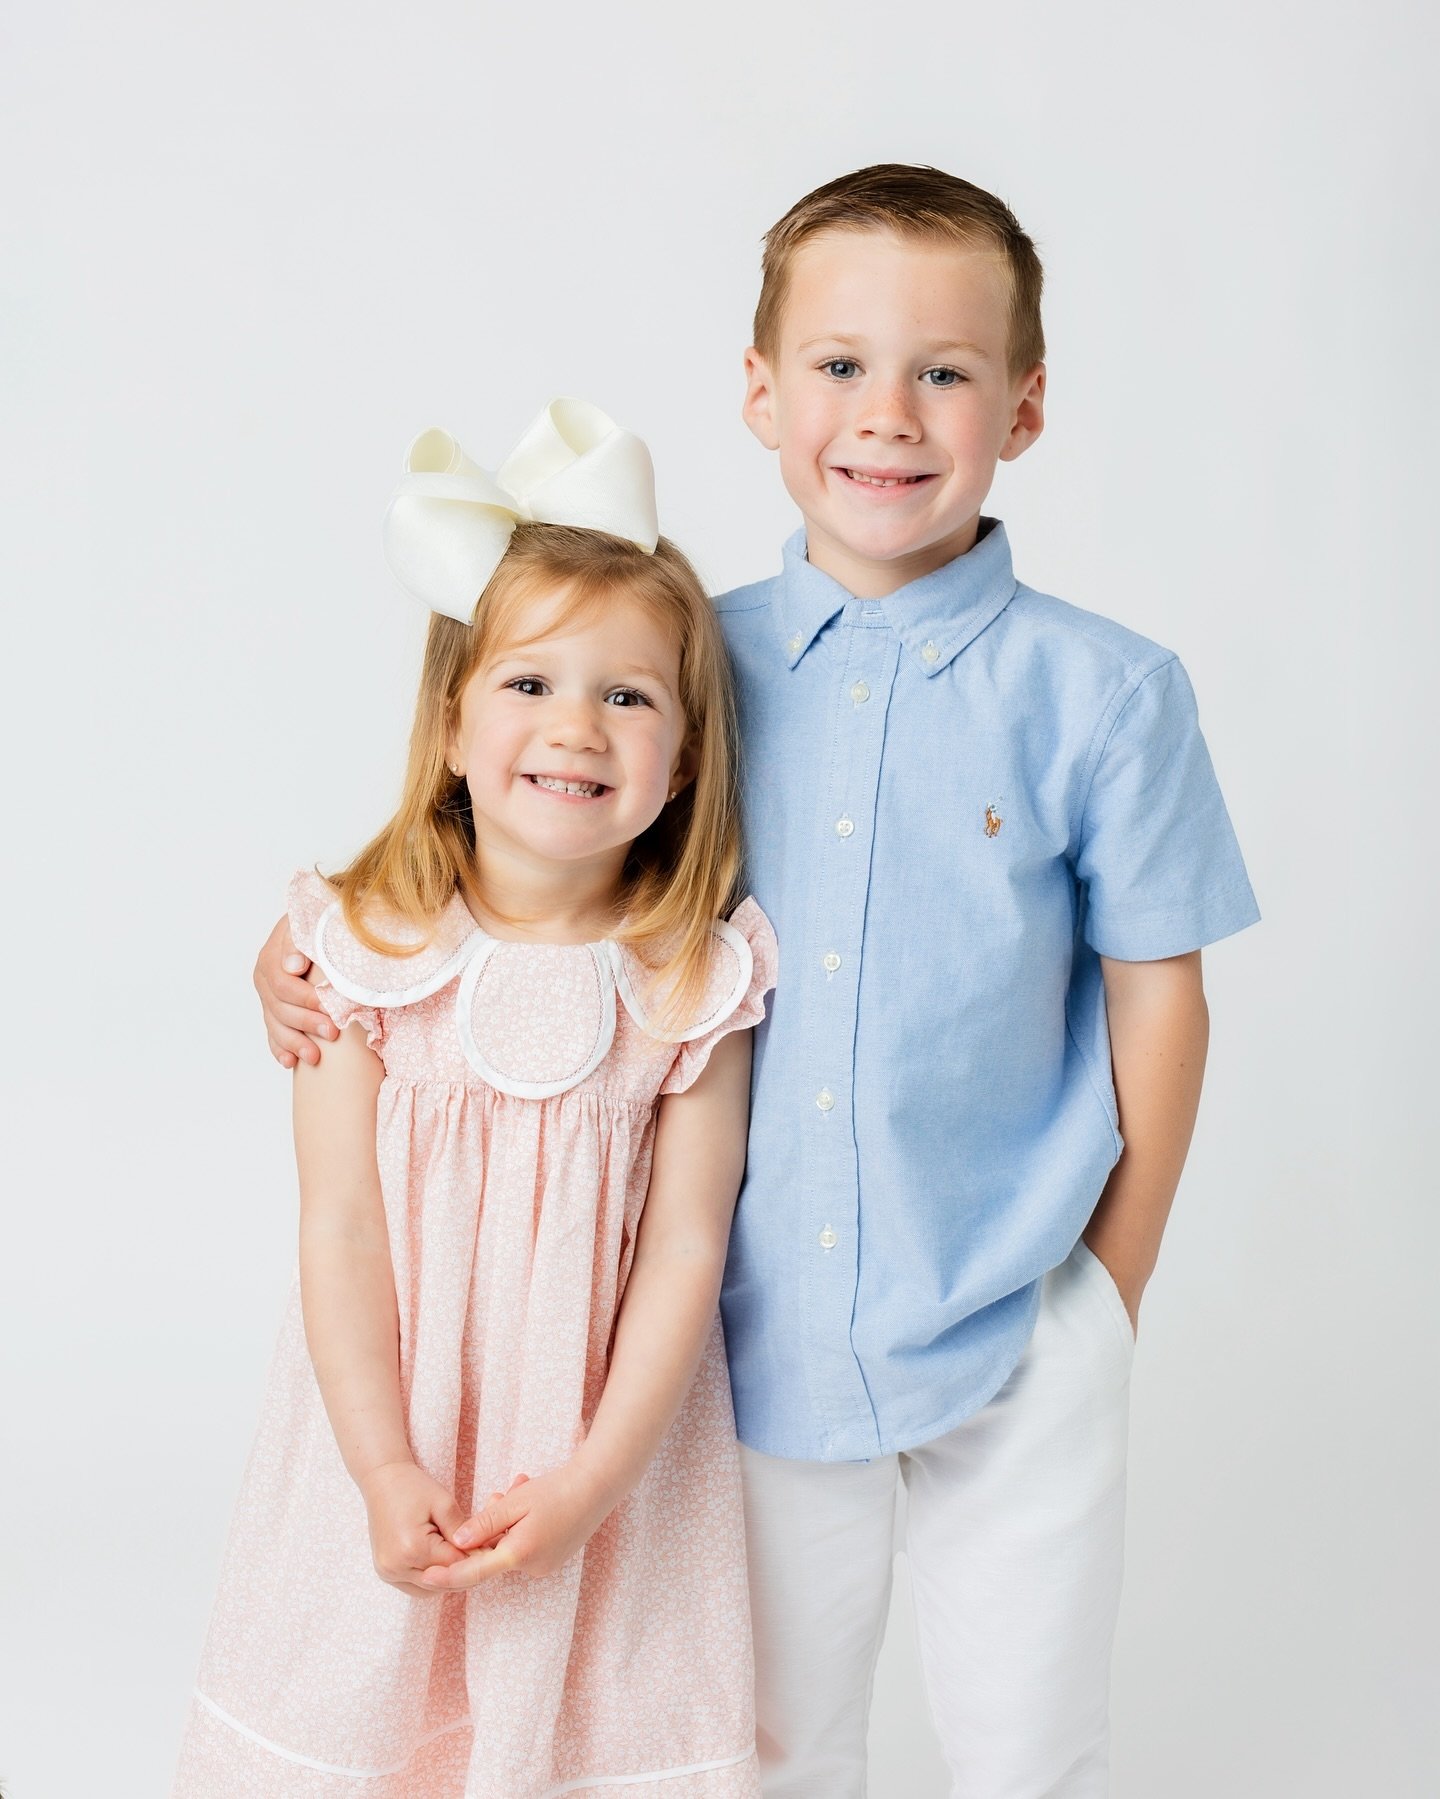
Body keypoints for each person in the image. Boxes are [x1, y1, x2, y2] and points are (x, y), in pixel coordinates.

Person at [256, 169, 1260, 1797]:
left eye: (944, 370)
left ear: (1027, 403)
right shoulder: (676, 666)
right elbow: (511, 867)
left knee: (1029, 1747)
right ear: (760, 391)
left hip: (1014, 1321)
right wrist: (301, 949)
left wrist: (1106, 1295)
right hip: (751, 1339)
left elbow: (1162, 996)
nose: (890, 414)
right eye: (842, 365)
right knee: (772, 1744)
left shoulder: (1108, 696)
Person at [178, 401, 774, 1798]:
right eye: (529, 685)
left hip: (602, 1452)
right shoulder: (364, 957)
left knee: (578, 1730)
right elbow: (339, 1230)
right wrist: (385, 1469)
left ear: (683, 758)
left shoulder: (695, 975)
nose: (578, 727)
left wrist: (593, 1483)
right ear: (450, 723)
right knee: (367, 1717)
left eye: (628, 695)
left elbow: (689, 1248)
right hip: (389, 1425)